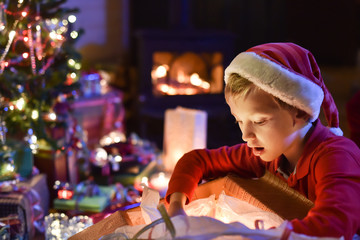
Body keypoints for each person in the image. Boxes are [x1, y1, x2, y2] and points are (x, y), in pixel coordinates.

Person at [165, 42, 360, 240]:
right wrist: (177, 208)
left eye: (260, 121)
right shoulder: (265, 154)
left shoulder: (336, 156)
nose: (246, 135)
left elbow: (334, 224)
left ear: (300, 111)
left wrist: (258, 236)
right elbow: (197, 160)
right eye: (239, 121)